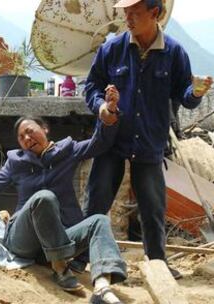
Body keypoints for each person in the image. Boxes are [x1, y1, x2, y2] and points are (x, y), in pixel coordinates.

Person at [0, 115, 127, 304]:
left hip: (59, 239)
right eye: (21, 137)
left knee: (100, 220)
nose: (26, 138)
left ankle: (102, 286)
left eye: (29, 131)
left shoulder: (67, 151)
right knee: (44, 197)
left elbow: (99, 143)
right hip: (23, 241)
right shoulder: (16, 162)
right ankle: (60, 268)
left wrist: (108, 116)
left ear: (45, 129)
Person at [83, 0, 213, 280]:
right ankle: (83, 258)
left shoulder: (174, 53)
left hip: (149, 144)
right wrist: (102, 108)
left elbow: (185, 97)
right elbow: (91, 87)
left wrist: (198, 92)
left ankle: (158, 264)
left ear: (155, 14)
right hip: (112, 140)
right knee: (97, 200)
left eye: (135, 13)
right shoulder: (112, 49)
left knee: (153, 208)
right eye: (126, 13)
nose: (128, 19)